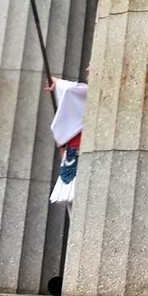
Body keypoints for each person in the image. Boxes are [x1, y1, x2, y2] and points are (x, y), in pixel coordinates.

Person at [44, 76, 88, 208]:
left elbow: (71, 90)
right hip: (71, 154)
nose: (87, 69)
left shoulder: (89, 91)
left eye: (90, 66)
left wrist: (57, 83)